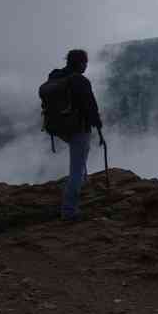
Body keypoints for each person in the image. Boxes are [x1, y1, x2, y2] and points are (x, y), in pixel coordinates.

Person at [47, 49, 102, 221]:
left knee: (79, 161)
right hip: (79, 128)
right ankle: (69, 211)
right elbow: (91, 107)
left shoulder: (55, 76)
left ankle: (79, 194)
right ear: (79, 63)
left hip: (61, 127)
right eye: (85, 62)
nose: (86, 66)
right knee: (76, 170)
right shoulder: (80, 81)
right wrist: (98, 126)